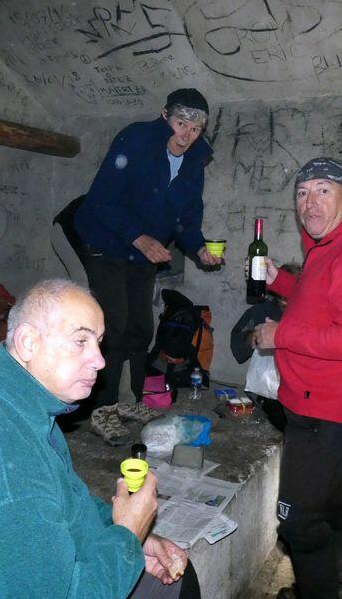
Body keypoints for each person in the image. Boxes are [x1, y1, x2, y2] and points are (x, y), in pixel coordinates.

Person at [0, 279, 200, 598]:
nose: (100, 361)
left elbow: (65, 501)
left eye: (98, 342)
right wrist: (128, 536)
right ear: (28, 342)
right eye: (80, 341)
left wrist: (126, 536)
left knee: (178, 575)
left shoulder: (17, 398)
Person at [253, 158, 342, 599]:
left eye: (323, 190)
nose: (309, 203)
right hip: (317, 401)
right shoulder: (329, 243)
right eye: (302, 193)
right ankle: (335, 586)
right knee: (333, 505)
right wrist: (281, 282)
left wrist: (280, 335)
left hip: (331, 412)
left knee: (297, 519)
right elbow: (322, 301)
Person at [74, 88, 222, 444]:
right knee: (113, 325)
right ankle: (102, 410)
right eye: (180, 124)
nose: (186, 136)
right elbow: (101, 200)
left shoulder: (194, 160)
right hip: (103, 239)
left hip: (142, 250)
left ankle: (132, 401)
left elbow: (187, 217)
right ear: (164, 116)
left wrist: (199, 248)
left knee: (141, 326)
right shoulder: (137, 140)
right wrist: (138, 237)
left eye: (195, 129)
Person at [230, 267, 342, 558]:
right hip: (274, 398)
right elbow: (238, 342)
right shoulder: (262, 311)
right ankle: (298, 526)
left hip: (317, 397)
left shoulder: (320, 314)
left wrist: (290, 336)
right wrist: (257, 337)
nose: (289, 300)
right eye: (283, 296)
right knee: (305, 451)